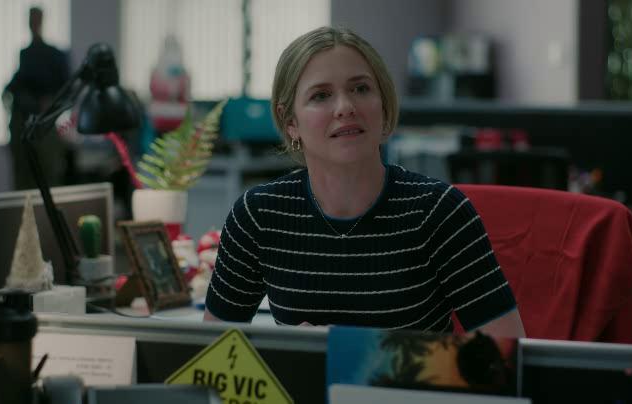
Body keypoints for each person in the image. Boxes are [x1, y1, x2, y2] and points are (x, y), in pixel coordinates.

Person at [203, 27, 525, 338]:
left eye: (360, 89)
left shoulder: (441, 212)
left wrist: (352, 354)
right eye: (321, 95)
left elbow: (505, 357)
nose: (346, 107)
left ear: (383, 105)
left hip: (411, 379)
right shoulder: (258, 216)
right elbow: (210, 356)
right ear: (291, 122)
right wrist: (290, 353)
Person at [3, 6, 70, 190]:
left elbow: (66, 91)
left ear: (41, 21)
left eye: (35, 19)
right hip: (22, 123)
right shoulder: (25, 55)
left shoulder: (54, 55)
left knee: (47, 176)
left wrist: (50, 104)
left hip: (43, 124)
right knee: (22, 177)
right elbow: (13, 86)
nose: (32, 23)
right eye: (30, 19)